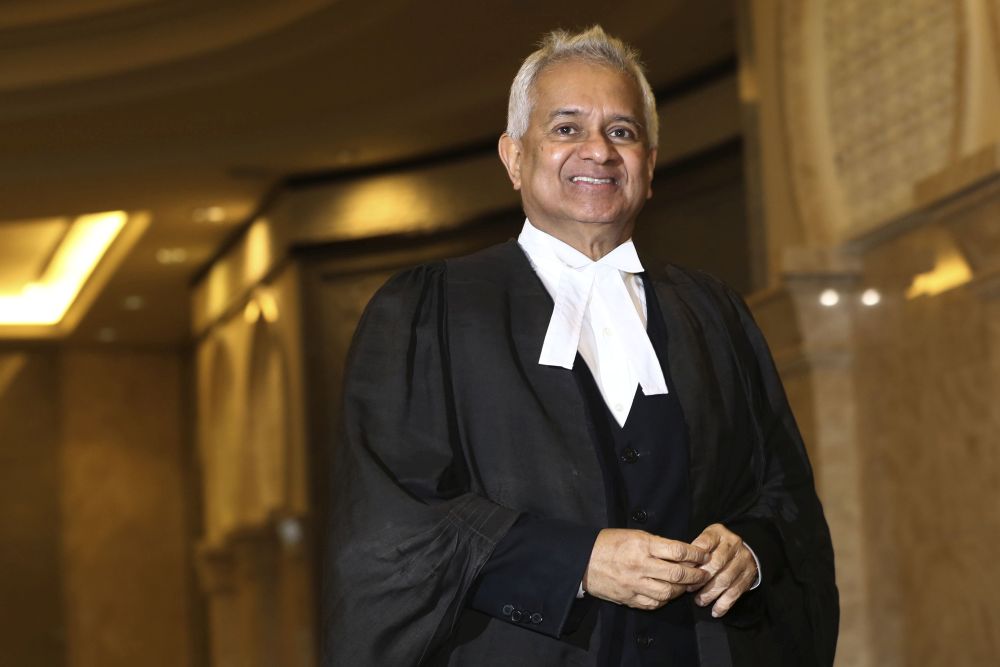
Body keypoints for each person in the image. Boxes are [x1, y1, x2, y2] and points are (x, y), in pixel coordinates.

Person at [322, 25, 838, 666]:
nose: (598, 151)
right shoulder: (427, 312)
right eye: (567, 128)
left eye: (622, 131)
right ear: (513, 157)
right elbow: (390, 526)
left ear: (650, 165)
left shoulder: (715, 314)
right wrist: (578, 563)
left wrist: (752, 551)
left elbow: (785, 496)